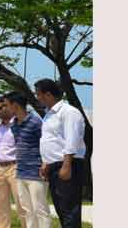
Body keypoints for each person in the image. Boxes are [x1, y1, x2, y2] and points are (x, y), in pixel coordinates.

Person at [35, 79, 86, 228]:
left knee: (70, 210)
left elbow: (72, 140)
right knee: (61, 209)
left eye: (38, 94)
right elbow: (51, 141)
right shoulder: (48, 115)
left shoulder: (69, 112)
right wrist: (45, 162)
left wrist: (66, 165)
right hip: (54, 165)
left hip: (67, 164)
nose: (37, 97)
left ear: (48, 94)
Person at [5, 91, 51, 228]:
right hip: (21, 173)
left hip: (37, 173)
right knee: (27, 210)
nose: (5, 108)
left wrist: (45, 164)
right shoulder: (13, 125)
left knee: (40, 210)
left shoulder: (36, 122)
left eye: (7, 105)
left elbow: (46, 144)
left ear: (15, 105)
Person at [0, 96, 27, 228]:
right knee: (0, 205)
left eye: (0, 108)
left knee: (22, 204)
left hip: (16, 166)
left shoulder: (18, 123)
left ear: (8, 106)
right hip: (0, 169)